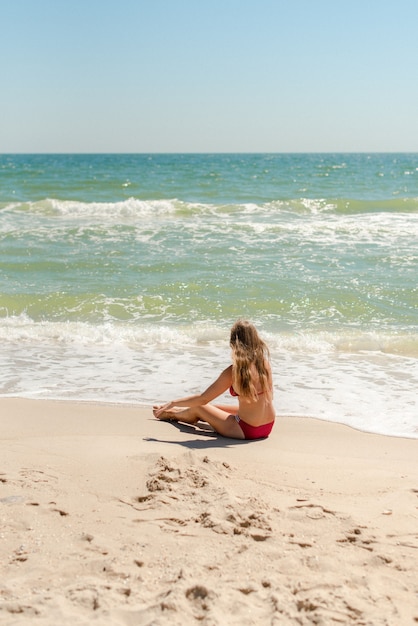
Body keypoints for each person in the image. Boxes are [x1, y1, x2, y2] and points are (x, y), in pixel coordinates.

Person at [153, 319, 275, 440]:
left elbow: (203, 399)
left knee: (200, 407)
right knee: (214, 408)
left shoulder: (233, 372)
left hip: (246, 429)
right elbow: (270, 397)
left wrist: (173, 402)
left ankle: (171, 413)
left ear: (234, 343)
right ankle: (180, 410)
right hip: (268, 425)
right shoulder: (264, 364)